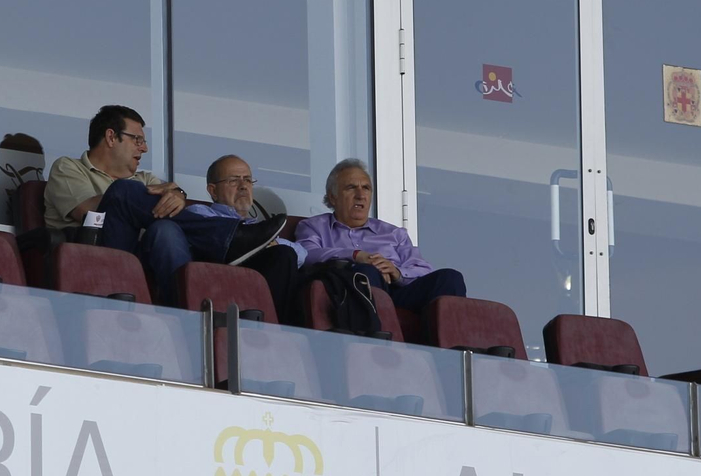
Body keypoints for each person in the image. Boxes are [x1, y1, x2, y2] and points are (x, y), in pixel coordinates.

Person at [44, 105, 283, 293]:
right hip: (95, 253)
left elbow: (168, 205)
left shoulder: (145, 178)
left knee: (166, 229)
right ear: (111, 137)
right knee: (121, 191)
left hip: (140, 255)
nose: (144, 148)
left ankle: (187, 308)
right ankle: (229, 236)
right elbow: (85, 211)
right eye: (137, 140)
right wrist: (131, 195)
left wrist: (178, 196)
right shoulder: (68, 167)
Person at [294, 158, 466, 313]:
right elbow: (307, 254)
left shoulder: (394, 233)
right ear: (333, 197)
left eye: (366, 188)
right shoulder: (313, 226)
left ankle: (453, 347)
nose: (360, 195)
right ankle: (373, 340)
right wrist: (356, 256)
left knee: (451, 278)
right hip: (352, 291)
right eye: (351, 188)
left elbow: (423, 270)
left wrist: (396, 272)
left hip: (398, 291)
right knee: (365, 272)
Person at [184, 154, 305, 323]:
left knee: (286, 255)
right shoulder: (200, 213)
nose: (243, 187)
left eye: (247, 180)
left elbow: (302, 253)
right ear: (213, 190)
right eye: (234, 180)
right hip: (220, 283)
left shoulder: (260, 229)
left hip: (256, 281)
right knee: (282, 254)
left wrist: (269, 243)